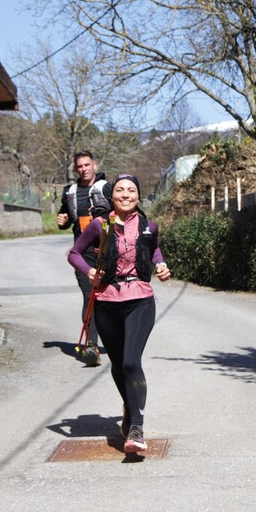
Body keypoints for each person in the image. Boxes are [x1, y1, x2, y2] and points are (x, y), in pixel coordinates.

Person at [68, 174, 171, 454]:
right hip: (107, 301)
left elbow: (154, 249)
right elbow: (74, 253)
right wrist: (89, 271)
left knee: (130, 361)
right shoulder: (100, 225)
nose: (126, 195)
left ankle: (136, 427)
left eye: (132, 190)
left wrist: (160, 265)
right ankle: (130, 404)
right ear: (112, 196)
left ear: (138, 195)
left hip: (140, 299)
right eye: (120, 190)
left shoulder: (149, 226)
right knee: (117, 364)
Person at [58, 151, 112, 366]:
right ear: (76, 169)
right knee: (90, 296)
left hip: (107, 251)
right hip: (83, 253)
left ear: (94, 165)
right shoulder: (69, 193)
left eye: (87, 165)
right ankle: (91, 346)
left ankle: (116, 339)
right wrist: (62, 221)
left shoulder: (107, 188)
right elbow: (65, 217)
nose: (83, 169)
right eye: (79, 166)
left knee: (110, 297)